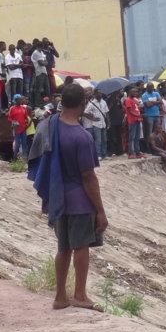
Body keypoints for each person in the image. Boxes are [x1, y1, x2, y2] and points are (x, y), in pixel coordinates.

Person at [29, 81, 108, 310]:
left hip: (57, 197)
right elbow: (88, 177)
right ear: (83, 104)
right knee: (81, 247)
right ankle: (80, 296)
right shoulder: (82, 137)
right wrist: (100, 211)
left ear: (62, 102)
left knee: (63, 248)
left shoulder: (48, 126)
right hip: (79, 201)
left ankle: (60, 297)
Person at [82, 89, 109, 160]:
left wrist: (108, 122)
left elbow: (106, 112)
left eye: (100, 93)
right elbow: (85, 113)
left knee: (104, 140)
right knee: (98, 140)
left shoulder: (104, 102)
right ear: (95, 94)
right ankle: (98, 155)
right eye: (98, 93)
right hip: (96, 124)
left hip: (103, 123)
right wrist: (92, 118)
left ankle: (104, 154)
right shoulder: (92, 103)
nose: (100, 94)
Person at [7, 94, 32, 159]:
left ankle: (24, 158)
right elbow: (9, 118)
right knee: (17, 144)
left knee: (24, 143)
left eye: (21, 99)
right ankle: (14, 157)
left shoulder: (23, 108)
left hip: (23, 128)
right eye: (20, 100)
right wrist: (14, 123)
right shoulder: (12, 108)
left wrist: (27, 124)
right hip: (16, 129)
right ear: (16, 100)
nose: (21, 101)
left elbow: (26, 117)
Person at [122, 87, 144, 159]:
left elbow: (137, 108)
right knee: (132, 137)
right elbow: (130, 110)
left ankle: (137, 152)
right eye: (134, 92)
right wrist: (138, 115)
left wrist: (139, 114)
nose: (135, 93)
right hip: (132, 121)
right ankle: (131, 153)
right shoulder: (128, 100)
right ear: (130, 93)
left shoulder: (134, 100)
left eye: (136, 92)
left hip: (137, 120)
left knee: (137, 137)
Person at [140, 83, 162, 149]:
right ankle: (149, 147)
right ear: (147, 88)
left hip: (157, 115)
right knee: (149, 132)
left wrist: (152, 102)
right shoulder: (144, 95)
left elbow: (161, 102)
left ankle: (157, 146)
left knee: (157, 131)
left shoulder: (156, 93)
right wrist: (156, 102)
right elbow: (147, 105)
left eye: (152, 87)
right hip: (149, 116)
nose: (151, 89)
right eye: (149, 87)